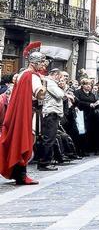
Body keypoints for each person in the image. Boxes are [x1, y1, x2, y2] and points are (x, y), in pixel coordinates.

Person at [0, 41, 49, 185]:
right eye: (41, 62)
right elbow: (40, 94)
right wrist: (44, 83)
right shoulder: (33, 76)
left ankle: (17, 173)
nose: (43, 65)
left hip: (18, 113)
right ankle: (21, 175)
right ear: (35, 63)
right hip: (28, 113)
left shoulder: (22, 74)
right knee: (27, 141)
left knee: (19, 139)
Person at [36, 68, 66, 171]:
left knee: (49, 138)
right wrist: (63, 89)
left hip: (51, 113)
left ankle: (45, 161)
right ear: (56, 75)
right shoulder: (50, 82)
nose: (61, 79)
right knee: (49, 139)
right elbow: (60, 95)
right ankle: (44, 163)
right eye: (60, 77)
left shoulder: (48, 82)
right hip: (51, 113)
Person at [74, 78, 99, 156]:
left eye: (90, 84)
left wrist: (97, 103)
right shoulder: (78, 92)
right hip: (80, 114)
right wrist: (89, 104)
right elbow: (78, 102)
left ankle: (86, 149)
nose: (89, 86)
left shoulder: (92, 94)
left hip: (90, 115)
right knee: (81, 132)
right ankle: (79, 150)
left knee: (88, 132)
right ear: (82, 85)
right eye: (87, 84)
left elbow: (94, 101)